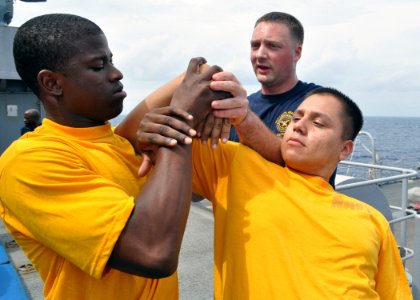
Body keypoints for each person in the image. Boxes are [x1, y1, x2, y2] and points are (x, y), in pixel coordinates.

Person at [0, 13, 230, 299]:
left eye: (111, 60)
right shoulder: (29, 161)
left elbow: (202, 72)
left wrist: (209, 90)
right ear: (52, 83)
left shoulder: (121, 142)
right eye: (98, 66)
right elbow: (153, 252)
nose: (116, 73)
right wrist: (180, 125)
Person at [135, 85, 412, 299]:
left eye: (318, 123)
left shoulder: (372, 219)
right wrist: (201, 77)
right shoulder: (237, 166)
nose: (299, 125)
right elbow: (130, 138)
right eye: (297, 117)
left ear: (345, 149)